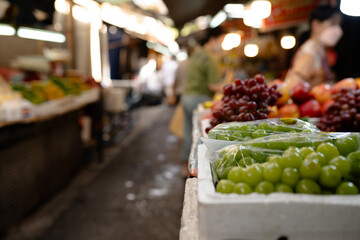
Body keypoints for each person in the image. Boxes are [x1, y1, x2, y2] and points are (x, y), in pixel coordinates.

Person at [181, 27, 225, 171]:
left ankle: (184, 166)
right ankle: (195, 170)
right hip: (199, 99)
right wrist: (228, 87)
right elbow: (213, 86)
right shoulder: (210, 59)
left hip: (186, 97)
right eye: (221, 40)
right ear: (213, 40)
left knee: (189, 132)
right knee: (200, 136)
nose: (221, 44)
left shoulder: (196, 54)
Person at [285, 5, 343, 89]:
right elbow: (294, 87)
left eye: (339, 24)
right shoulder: (309, 53)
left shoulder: (319, 51)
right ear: (316, 25)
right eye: (333, 23)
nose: (338, 29)